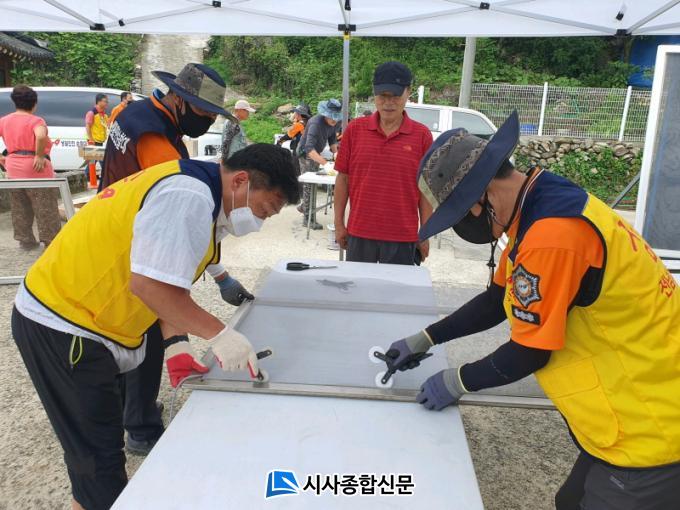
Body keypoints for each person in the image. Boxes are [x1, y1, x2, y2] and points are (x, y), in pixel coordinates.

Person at [380, 112, 680, 509]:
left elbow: (531, 351)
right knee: (569, 501)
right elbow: (496, 300)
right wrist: (427, 337)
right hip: (634, 398)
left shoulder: (551, 236)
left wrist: (459, 381)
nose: (463, 228)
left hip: (649, 424)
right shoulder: (542, 200)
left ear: (482, 200)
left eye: (459, 216)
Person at [12, 144, 301, 510]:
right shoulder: (189, 196)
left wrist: (175, 342)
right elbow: (149, 285)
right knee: (98, 463)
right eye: (265, 209)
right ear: (241, 181)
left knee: (100, 445)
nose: (261, 221)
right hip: (64, 324)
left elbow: (166, 274)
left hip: (95, 322)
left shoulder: (207, 191)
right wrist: (221, 334)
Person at [101, 62, 252, 455]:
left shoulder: (134, 115)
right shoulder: (155, 140)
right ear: (179, 100)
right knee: (149, 335)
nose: (207, 120)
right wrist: (218, 277)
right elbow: (178, 216)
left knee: (120, 333)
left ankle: (121, 412)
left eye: (212, 114)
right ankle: (141, 427)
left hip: (116, 228)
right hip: (135, 245)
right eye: (203, 111)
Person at [334, 62, 433, 265]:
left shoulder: (422, 135)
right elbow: (342, 179)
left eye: (395, 95)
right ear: (374, 93)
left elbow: (425, 190)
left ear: (408, 92)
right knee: (357, 285)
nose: (388, 103)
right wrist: (339, 224)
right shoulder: (354, 130)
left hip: (403, 237)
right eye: (382, 96)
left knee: (396, 287)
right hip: (359, 233)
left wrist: (425, 233)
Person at [0, 85, 61, 249]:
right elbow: (40, 136)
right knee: (45, 205)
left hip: (13, 168)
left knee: (20, 206)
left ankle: (25, 240)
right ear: (34, 103)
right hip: (35, 168)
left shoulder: (4, 120)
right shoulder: (36, 120)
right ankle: (50, 240)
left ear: (15, 102)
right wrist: (39, 155)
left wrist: (1, 158)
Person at [297, 98, 341, 230]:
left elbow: (332, 139)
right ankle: (308, 220)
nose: (334, 120)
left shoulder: (335, 123)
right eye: (332, 117)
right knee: (309, 186)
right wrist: (326, 164)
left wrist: (336, 153)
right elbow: (309, 149)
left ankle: (304, 207)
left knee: (313, 185)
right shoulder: (315, 123)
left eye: (336, 117)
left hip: (316, 153)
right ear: (325, 114)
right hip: (305, 153)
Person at [276, 103, 311, 174]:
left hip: (300, 149)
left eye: (296, 113)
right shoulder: (309, 122)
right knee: (307, 169)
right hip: (310, 149)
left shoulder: (299, 124)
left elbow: (289, 135)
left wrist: (280, 141)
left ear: (299, 114)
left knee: (297, 168)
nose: (294, 114)